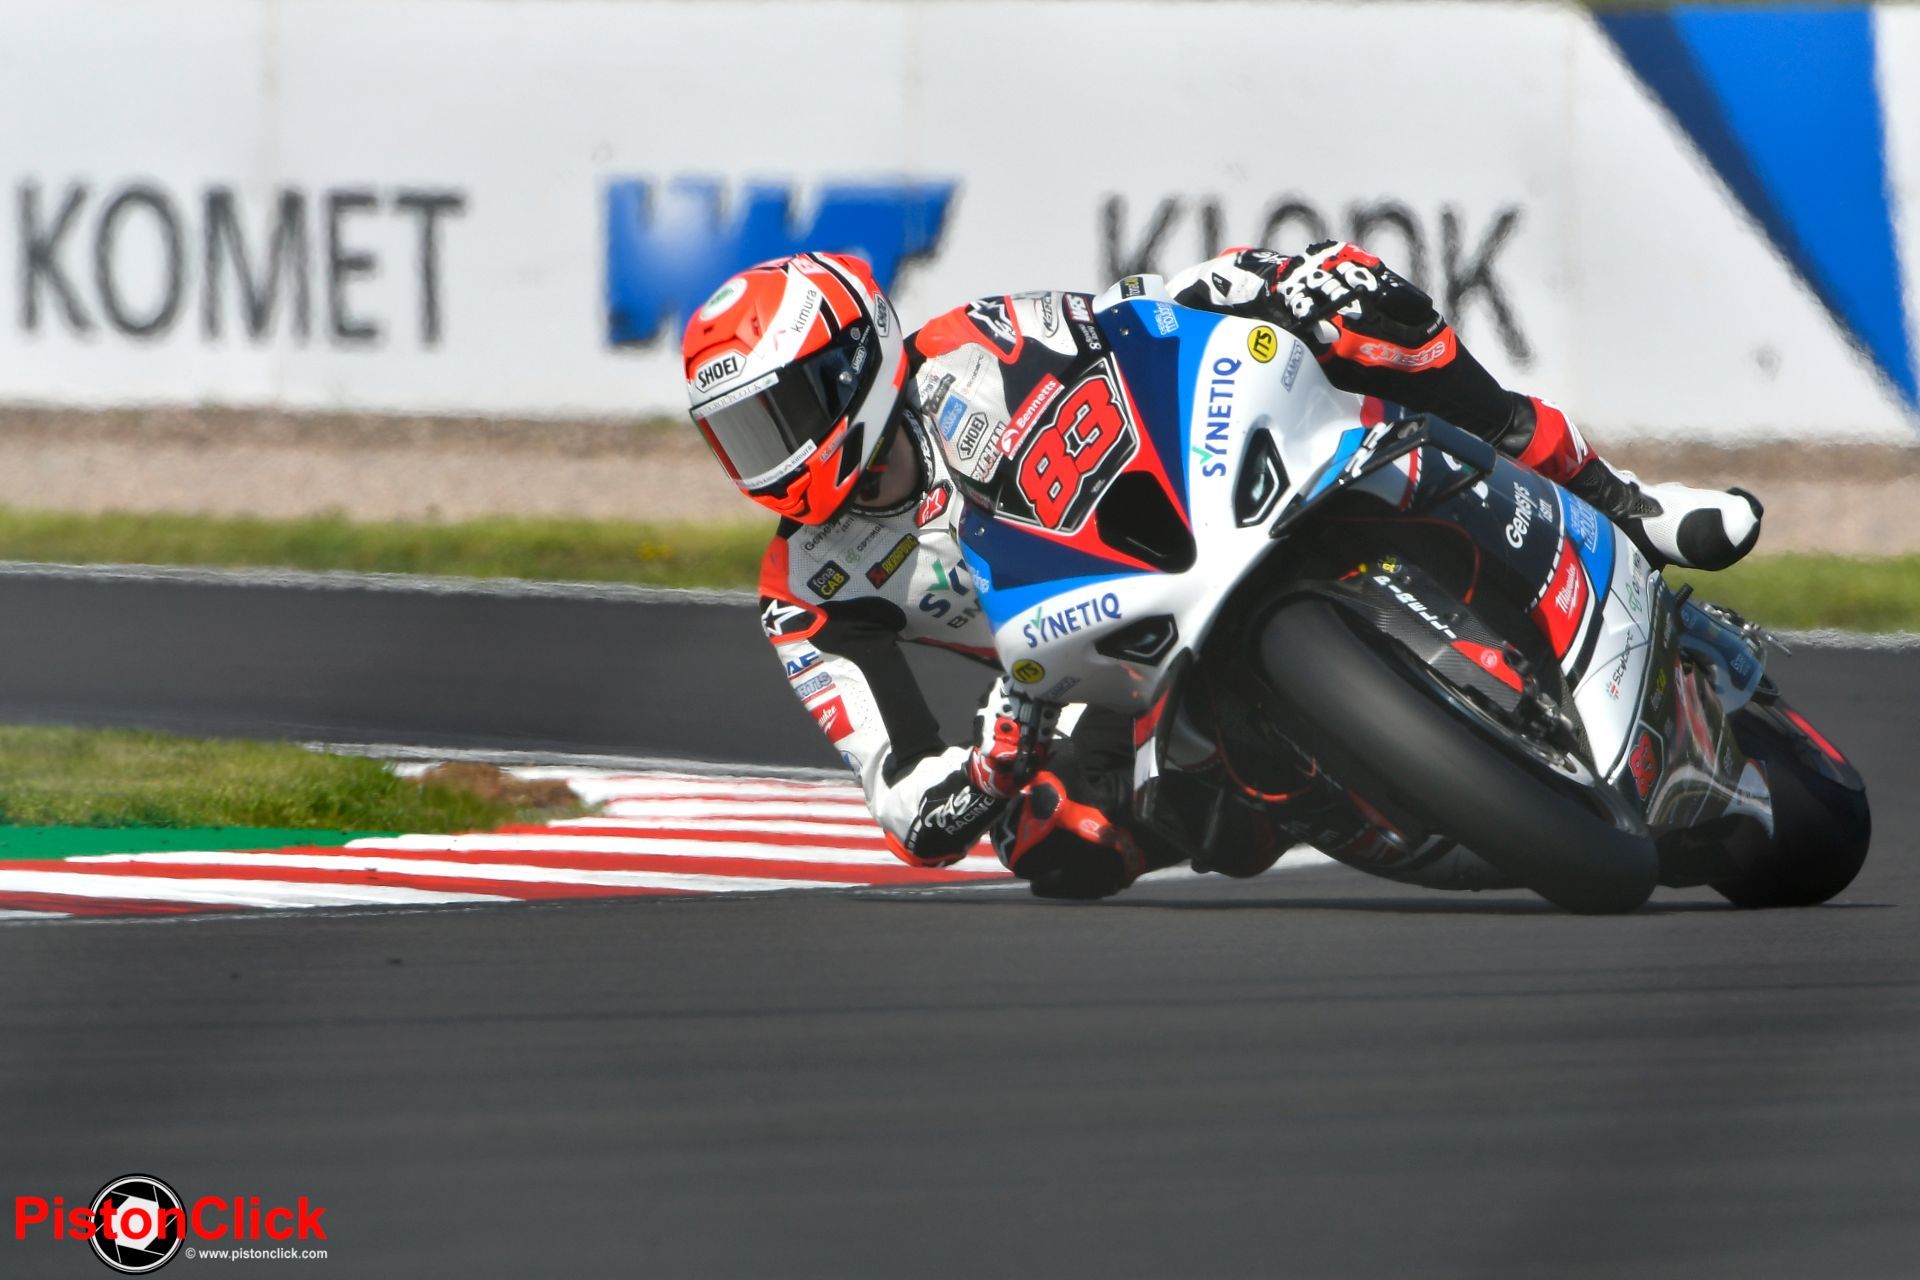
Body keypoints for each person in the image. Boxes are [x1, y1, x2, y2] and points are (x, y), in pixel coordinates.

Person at [680, 245, 1763, 899]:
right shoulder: (806, 592)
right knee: (1060, 845)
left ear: (854, 361)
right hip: (1073, 676)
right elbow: (907, 806)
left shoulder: (974, 345)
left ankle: (1623, 500)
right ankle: (1331, 793)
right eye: (741, 434)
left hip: (1187, 515)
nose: (772, 455)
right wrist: (984, 765)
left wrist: (1240, 289)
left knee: (1348, 288)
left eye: (783, 412)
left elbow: (1125, 323)